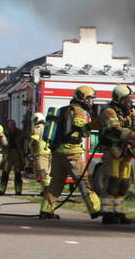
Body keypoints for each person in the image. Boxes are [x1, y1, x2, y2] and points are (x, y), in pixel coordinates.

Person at [39, 85, 101, 219]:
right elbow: (79, 125)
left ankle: (46, 210)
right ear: (81, 98)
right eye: (89, 98)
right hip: (71, 153)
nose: (91, 102)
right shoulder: (79, 110)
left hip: (58, 152)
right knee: (84, 180)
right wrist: (93, 125)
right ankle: (96, 209)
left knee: (56, 182)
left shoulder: (65, 110)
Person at [97, 84, 135, 224]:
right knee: (113, 182)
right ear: (117, 99)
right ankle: (108, 214)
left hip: (126, 152)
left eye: (129, 99)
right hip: (113, 151)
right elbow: (115, 130)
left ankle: (119, 212)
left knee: (124, 183)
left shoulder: (132, 111)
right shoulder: (108, 112)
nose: (128, 102)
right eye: (125, 100)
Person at [0, 119, 26, 196]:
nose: (11, 126)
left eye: (13, 124)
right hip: (8, 154)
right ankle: (1, 190)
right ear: (8, 125)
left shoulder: (20, 132)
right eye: (10, 124)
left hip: (17, 154)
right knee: (5, 172)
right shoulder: (5, 133)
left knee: (17, 173)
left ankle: (18, 191)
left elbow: (26, 138)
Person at [26, 112, 51, 196]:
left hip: (41, 152)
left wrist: (29, 148)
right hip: (49, 151)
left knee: (43, 171)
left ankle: (47, 189)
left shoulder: (36, 128)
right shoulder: (46, 126)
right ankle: (43, 190)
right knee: (46, 171)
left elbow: (34, 140)